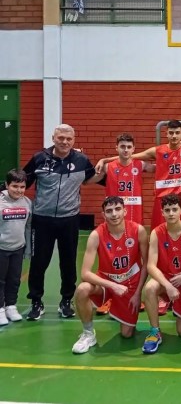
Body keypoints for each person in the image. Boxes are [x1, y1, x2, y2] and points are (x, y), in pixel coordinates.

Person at [22, 124, 95, 320]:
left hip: (69, 219)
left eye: (68, 139)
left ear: (74, 140)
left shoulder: (81, 160)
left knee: (68, 262)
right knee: (39, 262)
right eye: (61, 138)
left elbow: (96, 176)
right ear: (53, 138)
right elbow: (21, 181)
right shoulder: (39, 158)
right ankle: (36, 301)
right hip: (42, 219)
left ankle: (66, 301)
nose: (64, 142)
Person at [95, 120, 181, 229]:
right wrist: (105, 160)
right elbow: (129, 156)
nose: (174, 136)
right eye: (171, 133)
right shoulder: (157, 151)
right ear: (166, 134)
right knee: (159, 233)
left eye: (177, 133)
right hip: (162, 198)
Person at [71, 196, 148, 354]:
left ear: (125, 211)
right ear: (103, 214)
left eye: (118, 209)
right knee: (82, 289)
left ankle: (119, 310)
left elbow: (147, 263)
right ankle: (88, 333)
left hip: (130, 285)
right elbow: (85, 273)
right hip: (106, 282)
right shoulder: (96, 235)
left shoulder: (138, 230)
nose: (114, 214)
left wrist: (138, 294)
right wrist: (113, 285)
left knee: (127, 334)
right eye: (109, 211)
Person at [92, 133, 154, 315]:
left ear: (134, 149)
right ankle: (109, 297)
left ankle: (135, 294)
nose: (126, 150)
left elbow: (162, 166)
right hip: (114, 222)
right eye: (122, 146)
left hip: (135, 222)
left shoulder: (140, 165)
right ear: (116, 148)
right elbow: (88, 180)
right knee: (109, 259)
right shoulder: (108, 167)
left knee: (137, 260)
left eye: (129, 147)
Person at [142, 194, 181, 354]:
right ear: (162, 212)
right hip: (166, 279)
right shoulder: (156, 232)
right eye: (167, 210)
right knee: (150, 288)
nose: (171, 213)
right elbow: (151, 265)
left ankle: (179, 307)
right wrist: (168, 286)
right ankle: (155, 332)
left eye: (174, 209)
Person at [0, 169, 32, 325]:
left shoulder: (27, 203)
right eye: (14, 186)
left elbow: (28, 227)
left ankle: (11, 306)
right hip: (1, 249)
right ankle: (0, 309)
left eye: (22, 187)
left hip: (18, 248)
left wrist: (28, 249)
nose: (19, 190)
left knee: (14, 279)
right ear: (7, 185)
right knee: (1, 280)